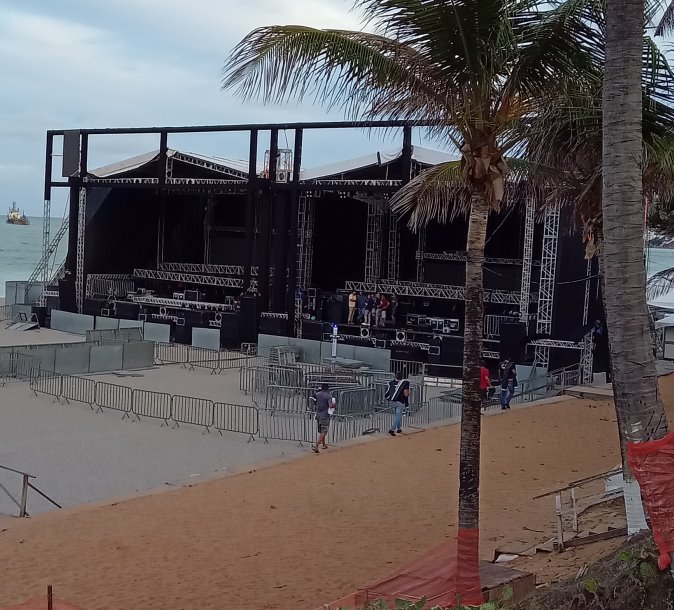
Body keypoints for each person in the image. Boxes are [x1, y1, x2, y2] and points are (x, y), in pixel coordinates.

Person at [310, 383, 335, 453]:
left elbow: (312, 400)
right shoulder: (329, 396)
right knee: (324, 430)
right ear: (327, 389)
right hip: (325, 415)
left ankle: (324, 444)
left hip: (318, 414)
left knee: (321, 430)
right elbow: (330, 405)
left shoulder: (317, 394)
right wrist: (334, 405)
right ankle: (317, 445)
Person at [385, 370, 410, 436]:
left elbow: (387, 393)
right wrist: (408, 394)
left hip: (392, 401)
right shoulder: (405, 383)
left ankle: (399, 428)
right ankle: (392, 429)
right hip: (400, 401)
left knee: (397, 415)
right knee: (398, 415)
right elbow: (405, 394)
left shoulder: (391, 383)